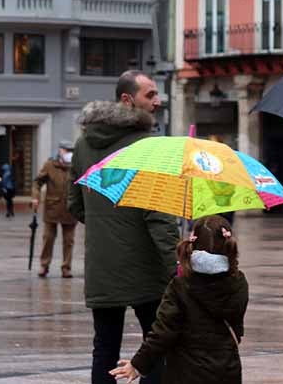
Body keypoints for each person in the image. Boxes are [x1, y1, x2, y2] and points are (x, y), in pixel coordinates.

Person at [68, 70, 178, 384]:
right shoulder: (149, 146)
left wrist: (108, 227)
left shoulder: (83, 144)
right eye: (150, 95)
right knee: (155, 345)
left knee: (104, 347)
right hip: (147, 267)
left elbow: (74, 204)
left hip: (103, 266)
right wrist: (178, 268)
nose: (157, 102)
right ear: (127, 99)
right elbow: (159, 216)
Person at [110, 215, 249, 384]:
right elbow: (237, 328)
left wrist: (138, 364)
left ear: (193, 243)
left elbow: (163, 332)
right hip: (227, 370)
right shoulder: (239, 282)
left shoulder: (180, 285)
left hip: (185, 371)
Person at [33, 142, 78, 278]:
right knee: (48, 238)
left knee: (69, 240)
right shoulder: (50, 165)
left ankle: (66, 267)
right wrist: (36, 197)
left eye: (71, 150)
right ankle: (44, 265)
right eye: (67, 150)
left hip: (70, 209)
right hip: (52, 208)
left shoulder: (76, 166)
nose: (69, 153)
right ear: (60, 151)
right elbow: (37, 182)